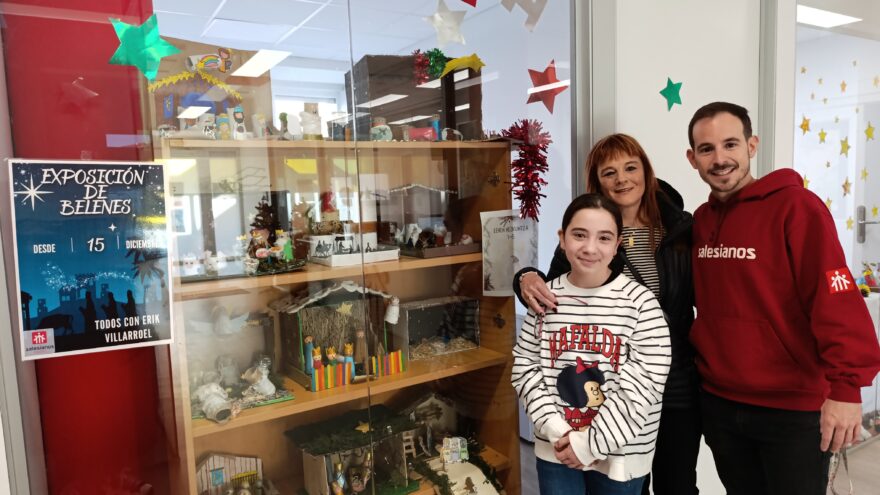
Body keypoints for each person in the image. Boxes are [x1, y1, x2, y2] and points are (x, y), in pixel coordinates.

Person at [685, 101, 880, 495]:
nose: (719, 159)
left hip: (792, 409)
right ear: (693, 158)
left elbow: (835, 298)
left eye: (730, 144)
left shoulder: (797, 208)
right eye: (707, 149)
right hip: (720, 404)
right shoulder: (702, 221)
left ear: (752, 145)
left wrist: (846, 389)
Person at [515, 134, 700, 495]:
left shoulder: (679, 228)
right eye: (609, 172)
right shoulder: (588, 234)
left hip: (674, 378)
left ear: (646, 172)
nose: (622, 179)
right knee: (629, 480)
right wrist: (523, 276)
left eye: (631, 168)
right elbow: (552, 294)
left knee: (676, 483)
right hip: (608, 384)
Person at [511, 193, 671, 495]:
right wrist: (559, 432)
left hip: (620, 456)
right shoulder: (545, 299)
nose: (590, 247)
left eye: (604, 237)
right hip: (556, 448)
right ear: (562, 238)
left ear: (617, 244)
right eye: (579, 235)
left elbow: (643, 386)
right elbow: (525, 368)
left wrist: (588, 445)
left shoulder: (641, 304)